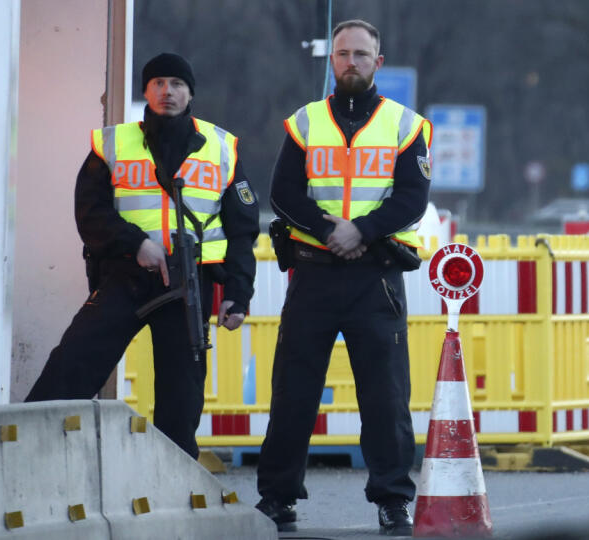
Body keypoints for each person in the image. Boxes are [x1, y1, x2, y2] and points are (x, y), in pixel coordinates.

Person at [25, 53, 261, 459]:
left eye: (176, 84)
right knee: (73, 364)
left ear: (190, 93)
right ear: (145, 91)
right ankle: (27, 451)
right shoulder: (114, 143)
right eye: (158, 83)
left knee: (182, 391)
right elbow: (90, 212)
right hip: (126, 274)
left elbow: (242, 229)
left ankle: (173, 475)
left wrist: (239, 293)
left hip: (189, 281)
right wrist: (137, 244)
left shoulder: (222, 147)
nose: (167, 91)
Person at [255, 19, 432, 536]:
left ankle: (393, 500)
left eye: (360, 53)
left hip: (375, 276)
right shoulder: (304, 122)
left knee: (385, 395)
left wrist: (362, 232)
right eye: (342, 54)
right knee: (293, 393)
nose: (350, 61)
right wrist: (328, 231)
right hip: (313, 273)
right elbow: (284, 193)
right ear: (330, 62)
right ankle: (278, 497)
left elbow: (411, 198)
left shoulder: (407, 125)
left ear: (379, 62)